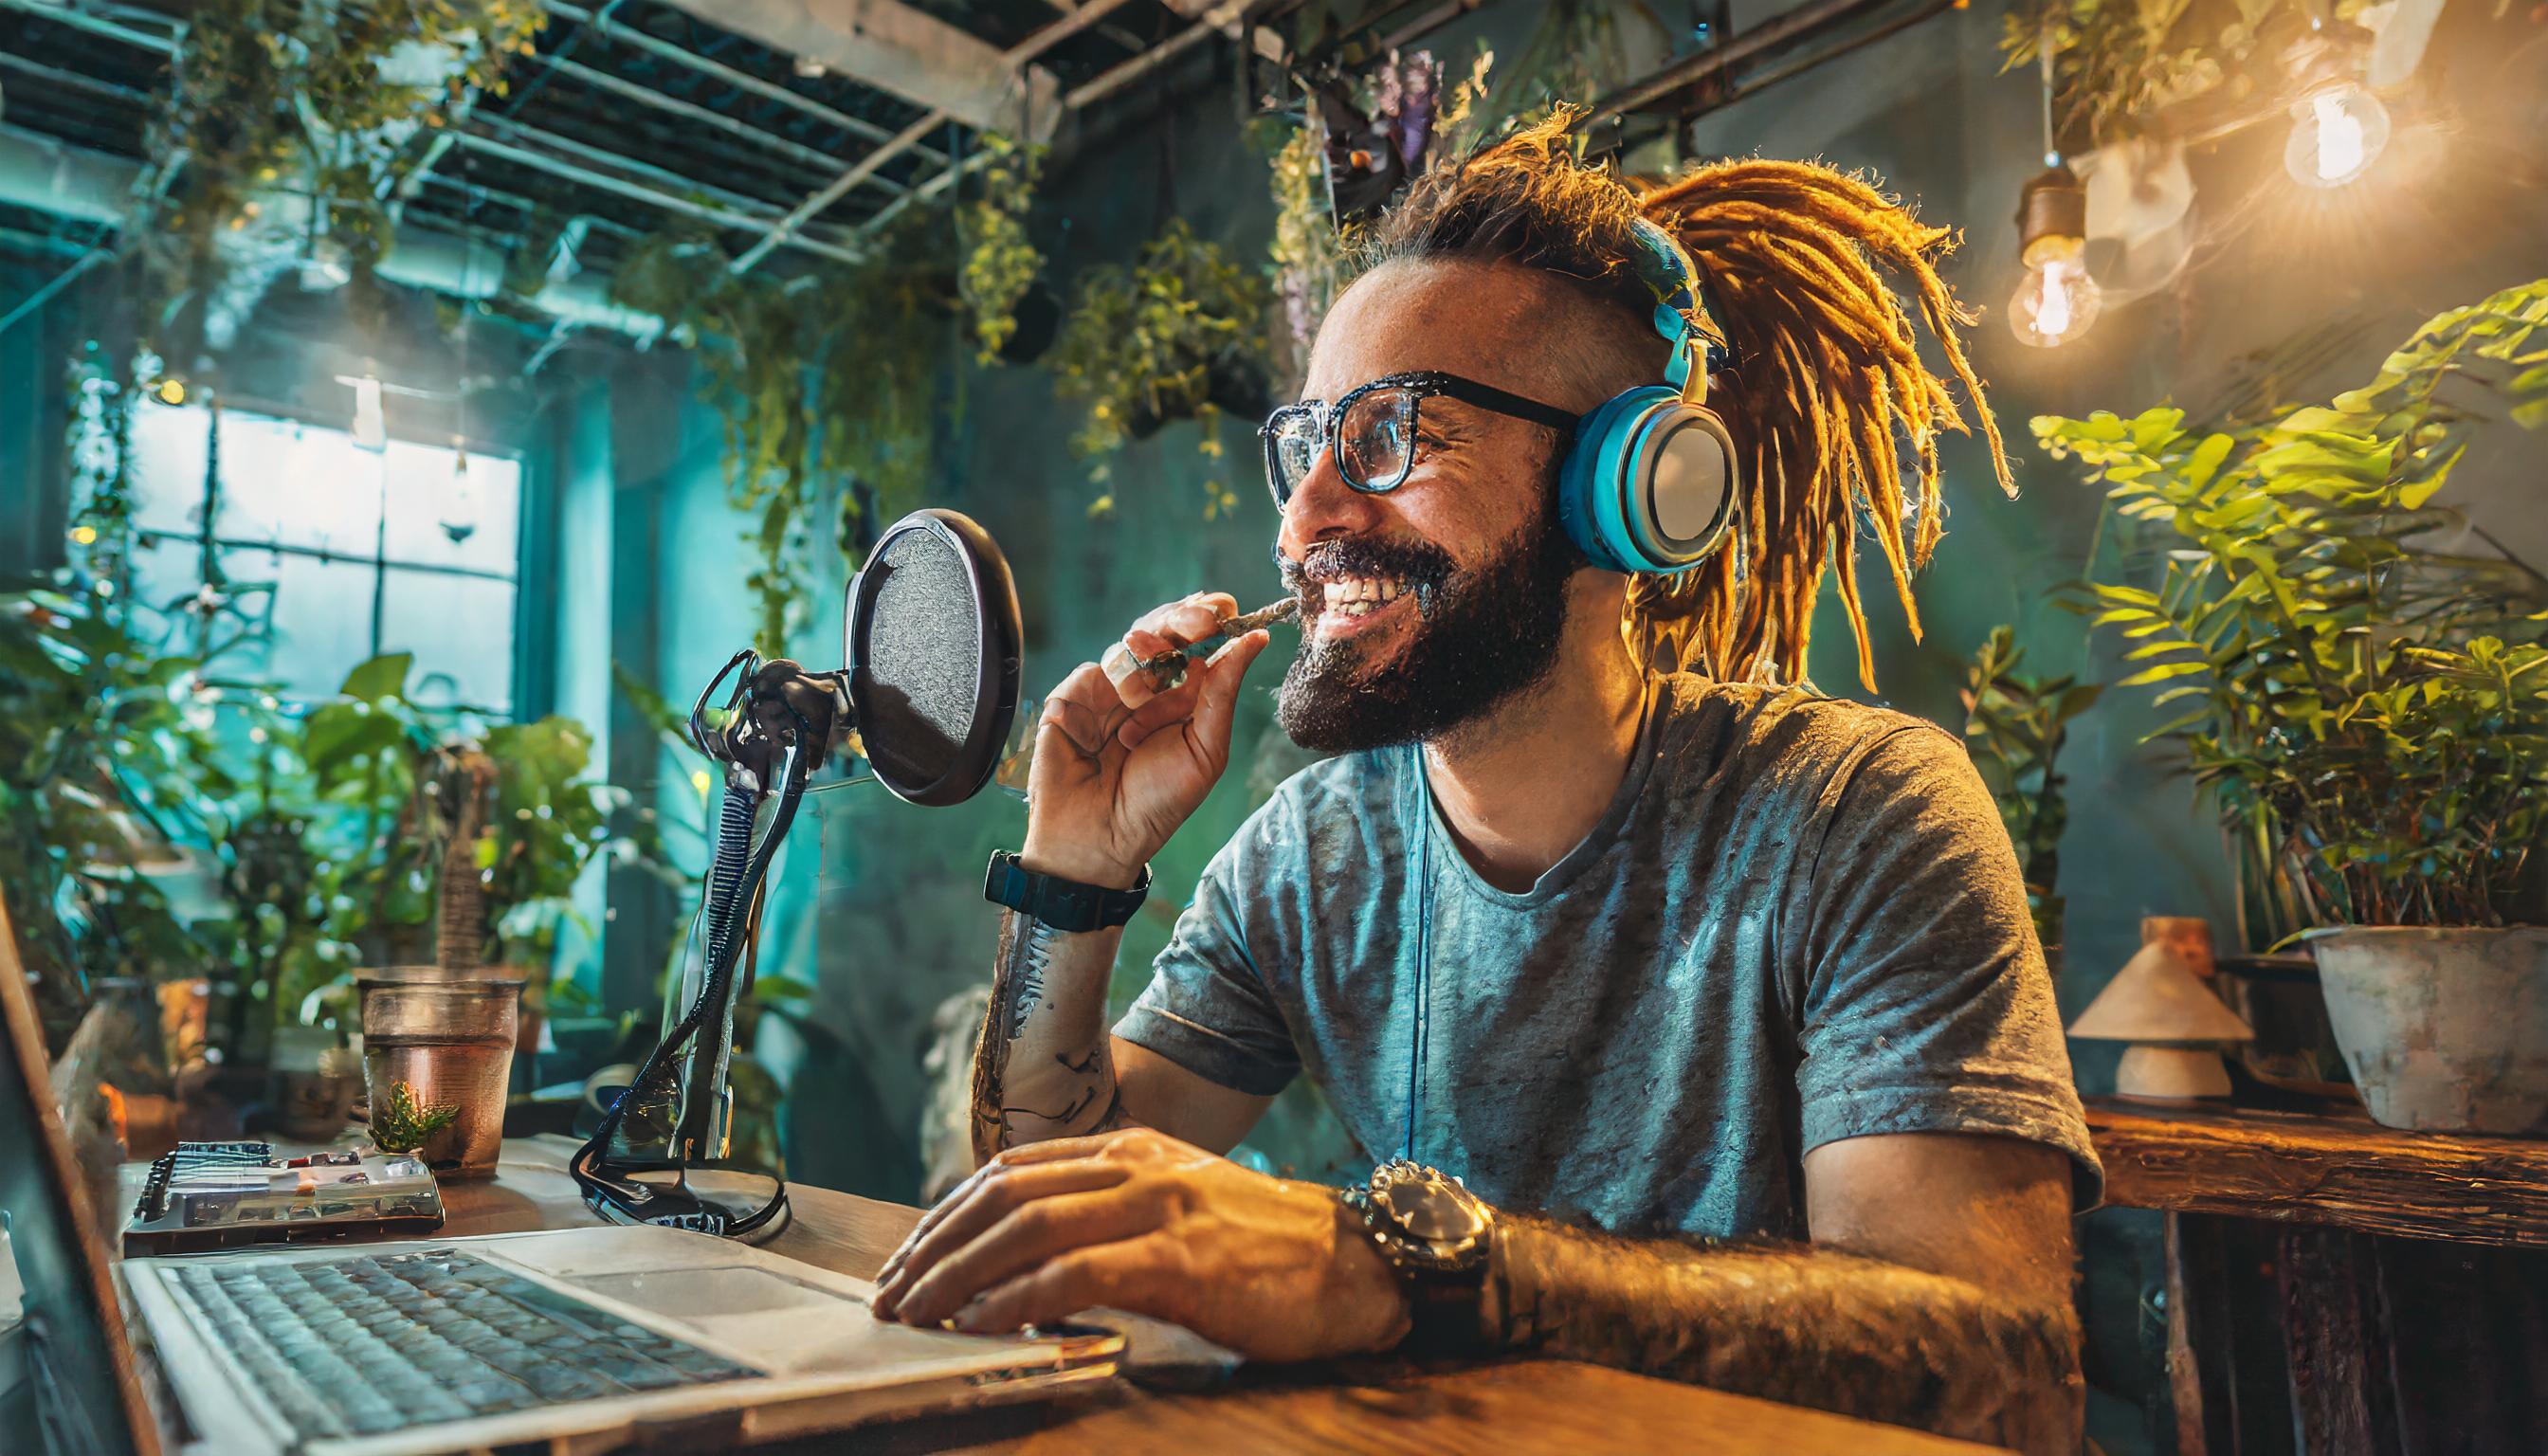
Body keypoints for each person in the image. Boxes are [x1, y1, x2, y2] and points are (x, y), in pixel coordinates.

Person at [870, 115, 2100, 1454]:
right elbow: (1046, 1199)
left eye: (1393, 434)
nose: (1305, 518)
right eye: (1307, 445)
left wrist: (1406, 1268)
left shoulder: (1858, 814)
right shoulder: (1306, 860)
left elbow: (1997, 1364)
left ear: (1626, 487)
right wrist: (1073, 871)